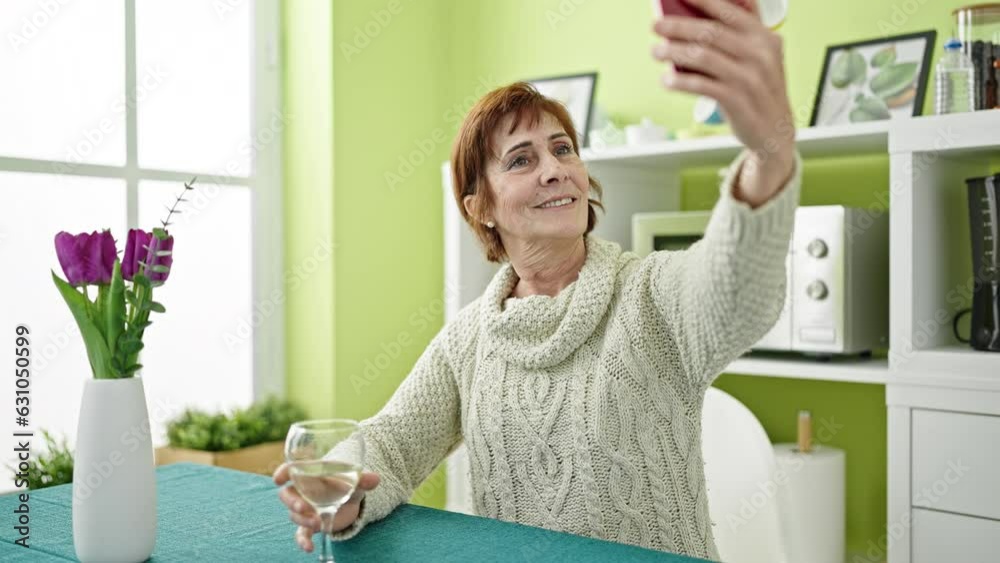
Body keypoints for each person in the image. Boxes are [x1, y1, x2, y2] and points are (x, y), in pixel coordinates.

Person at [275, 0, 799, 558]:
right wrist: (345, 487)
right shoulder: (472, 337)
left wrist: (769, 151)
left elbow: (738, 290)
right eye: (521, 160)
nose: (554, 168)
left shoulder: (651, 295)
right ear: (481, 208)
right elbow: (391, 443)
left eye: (562, 148)